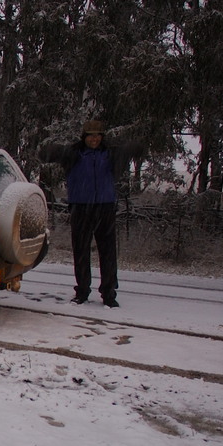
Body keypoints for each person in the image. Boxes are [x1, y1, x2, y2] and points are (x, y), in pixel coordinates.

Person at [39, 120, 144, 307]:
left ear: (102, 137)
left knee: (108, 253)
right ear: (84, 137)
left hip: (105, 208)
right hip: (81, 208)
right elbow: (46, 153)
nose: (94, 139)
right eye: (90, 135)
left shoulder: (110, 154)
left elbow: (130, 149)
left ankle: (109, 293)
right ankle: (82, 292)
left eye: (97, 135)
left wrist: (139, 146)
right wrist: (48, 150)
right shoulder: (73, 154)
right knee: (81, 252)